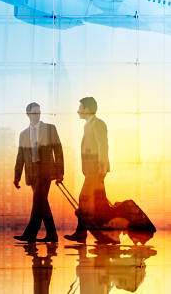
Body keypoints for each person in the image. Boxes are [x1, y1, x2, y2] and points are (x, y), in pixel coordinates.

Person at [13, 102, 64, 243]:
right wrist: (17, 176)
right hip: (31, 172)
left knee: (37, 202)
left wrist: (60, 172)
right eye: (34, 112)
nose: (37, 114)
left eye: (39, 112)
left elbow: (58, 151)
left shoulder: (50, 129)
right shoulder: (23, 134)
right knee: (42, 204)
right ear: (28, 114)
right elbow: (20, 156)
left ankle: (30, 233)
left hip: (46, 171)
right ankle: (52, 234)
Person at [64, 97, 112, 244]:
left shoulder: (98, 123)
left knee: (84, 200)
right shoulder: (89, 125)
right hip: (92, 170)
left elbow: (103, 146)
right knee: (100, 204)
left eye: (80, 108)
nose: (78, 111)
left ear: (86, 110)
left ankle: (81, 234)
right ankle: (108, 235)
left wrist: (102, 167)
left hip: (96, 170)